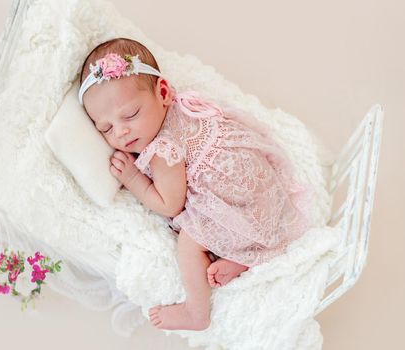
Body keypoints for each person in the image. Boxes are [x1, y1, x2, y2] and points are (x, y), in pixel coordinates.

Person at [78, 37, 313, 331]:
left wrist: (133, 178)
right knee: (229, 226)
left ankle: (196, 312)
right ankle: (240, 259)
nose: (121, 132)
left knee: (190, 242)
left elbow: (169, 204)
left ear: (162, 92)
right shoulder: (180, 106)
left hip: (235, 197)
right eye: (106, 128)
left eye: (130, 115)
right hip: (257, 186)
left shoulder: (163, 150)